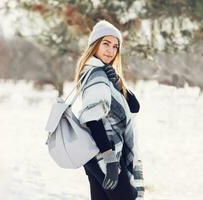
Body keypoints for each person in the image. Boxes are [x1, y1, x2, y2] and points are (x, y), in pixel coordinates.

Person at [74, 20, 144, 200]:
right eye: (105, 43)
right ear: (94, 45)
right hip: (105, 153)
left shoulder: (104, 73)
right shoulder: (96, 74)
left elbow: (134, 107)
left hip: (98, 152)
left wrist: (119, 84)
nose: (110, 50)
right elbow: (92, 118)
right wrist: (109, 159)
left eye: (115, 46)